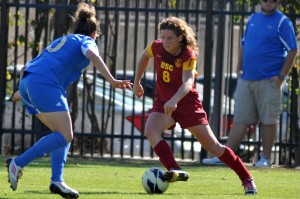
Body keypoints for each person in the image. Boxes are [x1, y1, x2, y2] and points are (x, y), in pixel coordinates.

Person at [6, 2, 132, 198]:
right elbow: (92, 54)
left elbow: (27, 68)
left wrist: (21, 91)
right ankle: (18, 163)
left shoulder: (63, 40)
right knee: (66, 134)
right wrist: (113, 80)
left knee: (62, 133)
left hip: (29, 83)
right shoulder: (86, 40)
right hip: (45, 85)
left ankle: (57, 180)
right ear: (94, 33)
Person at [132, 16, 257, 195]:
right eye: (163, 37)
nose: (165, 42)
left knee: (214, 148)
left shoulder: (188, 55)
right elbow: (144, 56)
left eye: (170, 38)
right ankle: (175, 169)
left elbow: (188, 83)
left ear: (180, 38)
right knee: (150, 130)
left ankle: (247, 179)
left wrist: (174, 100)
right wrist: (137, 82)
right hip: (164, 103)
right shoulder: (156, 46)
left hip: (187, 104)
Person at [202, 0, 298, 167]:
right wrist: (239, 68)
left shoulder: (283, 22)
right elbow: (244, 44)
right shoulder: (253, 18)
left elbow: (293, 50)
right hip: (247, 79)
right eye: (266, 0)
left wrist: (281, 77)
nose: (269, 3)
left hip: (270, 80)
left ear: (278, 3)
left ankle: (266, 159)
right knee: (240, 119)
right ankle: (226, 157)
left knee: (269, 120)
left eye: (273, 1)